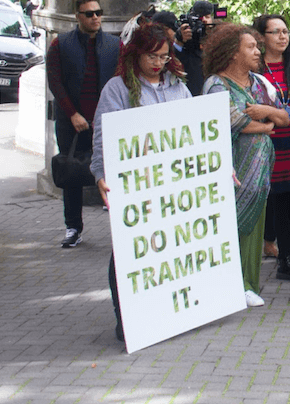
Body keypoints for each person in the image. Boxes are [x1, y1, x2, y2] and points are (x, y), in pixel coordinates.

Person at [90, 23, 192, 341]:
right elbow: (104, 135)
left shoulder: (178, 86)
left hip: (172, 185)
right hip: (137, 186)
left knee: (168, 247)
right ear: (136, 54)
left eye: (164, 57)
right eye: (152, 56)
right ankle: (126, 318)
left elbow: (196, 129)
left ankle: (165, 312)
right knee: (129, 250)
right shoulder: (118, 89)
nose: (159, 63)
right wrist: (100, 174)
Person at [202, 22, 290, 306]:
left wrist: (265, 111)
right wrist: (266, 126)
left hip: (260, 173)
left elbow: (285, 116)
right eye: (251, 47)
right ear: (232, 53)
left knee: (254, 228)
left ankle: (249, 284)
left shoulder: (259, 83)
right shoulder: (217, 85)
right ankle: (229, 286)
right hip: (232, 170)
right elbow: (233, 121)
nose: (258, 52)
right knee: (231, 227)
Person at [46, 0, 120, 248]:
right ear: (78, 16)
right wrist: (72, 114)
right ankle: (73, 227)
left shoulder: (114, 45)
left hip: (105, 121)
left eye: (98, 12)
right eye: (89, 14)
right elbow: (55, 81)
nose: (95, 17)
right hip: (72, 122)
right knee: (72, 174)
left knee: (113, 171)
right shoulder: (61, 44)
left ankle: (120, 226)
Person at [251, 14, 290, 283]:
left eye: (285, 31)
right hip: (264, 140)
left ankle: (286, 259)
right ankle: (254, 253)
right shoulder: (254, 68)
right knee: (263, 198)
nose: (282, 36)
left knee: (286, 201)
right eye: (275, 32)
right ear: (261, 37)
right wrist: (276, 115)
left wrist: (283, 113)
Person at [177, 0, 214, 97]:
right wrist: (180, 40)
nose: (204, 20)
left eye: (207, 17)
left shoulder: (217, 37)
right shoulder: (187, 41)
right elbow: (175, 55)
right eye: (200, 18)